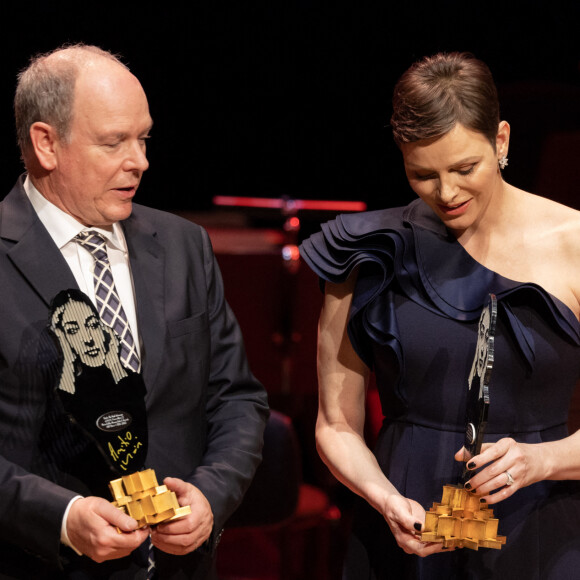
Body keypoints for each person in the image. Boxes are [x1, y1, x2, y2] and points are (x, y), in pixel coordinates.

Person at [299, 52, 580, 579]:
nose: (446, 193)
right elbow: (336, 425)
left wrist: (543, 460)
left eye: (464, 168)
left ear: (501, 140)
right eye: (422, 174)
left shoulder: (574, 245)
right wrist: (383, 497)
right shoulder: (368, 251)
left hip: (538, 526)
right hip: (406, 527)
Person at [0, 44, 268, 580]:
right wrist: (64, 516)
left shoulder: (184, 244)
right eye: (114, 142)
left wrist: (210, 497)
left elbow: (237, 399)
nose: (140, 161)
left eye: (143, 139)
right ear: (46, 143)